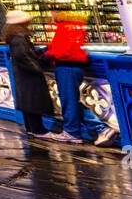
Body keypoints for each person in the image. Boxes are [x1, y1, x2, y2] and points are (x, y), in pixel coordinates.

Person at [43, 12, 110, 145]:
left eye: (53, 13)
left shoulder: (65, 28)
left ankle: (72, 132)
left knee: (69, 101)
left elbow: (63, 50)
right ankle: (100, 128)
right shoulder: (76, 27)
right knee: (73, 101)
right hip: (76, 67)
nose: (51, 15)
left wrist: (47, 54)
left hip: (66, 67)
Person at [2, 10, 61, 140]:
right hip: (28, 74)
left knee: (28, 102)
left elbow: (26, 53)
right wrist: (38, 68)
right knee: (32, 101)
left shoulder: (15, 36)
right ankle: (38, 130)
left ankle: (31, 129)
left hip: (23, 74)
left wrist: (45, 50)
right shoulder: (19, 37)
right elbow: (22, 56)